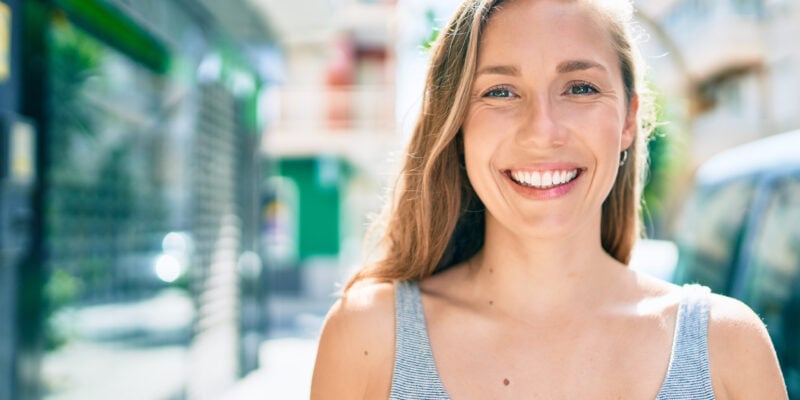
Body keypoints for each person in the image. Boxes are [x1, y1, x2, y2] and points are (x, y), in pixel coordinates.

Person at [310, 0, 788, 398]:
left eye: (580, 87)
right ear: (457, 126)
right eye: (500, 91)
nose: (542, 131)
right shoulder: (371, 339)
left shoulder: (728, 347)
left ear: (628, 119)